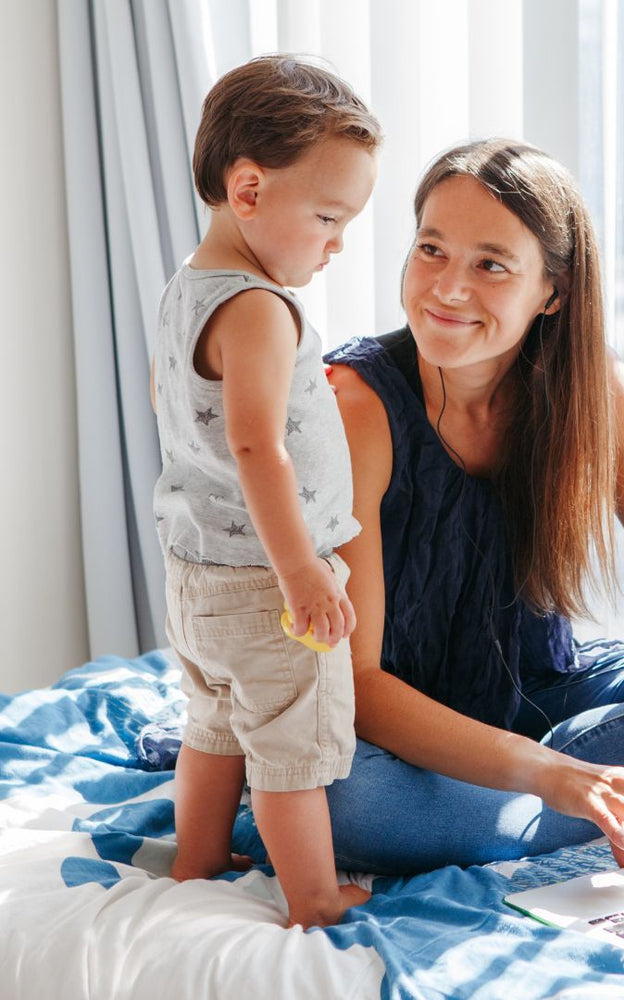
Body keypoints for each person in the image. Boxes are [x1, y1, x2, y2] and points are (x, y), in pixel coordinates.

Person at [319, 138, 624, 878]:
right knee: (350, 801)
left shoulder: (596, 392)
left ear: (552, 290)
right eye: (431, 249)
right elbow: (358, 687)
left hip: (537, 696)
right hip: (397, 738)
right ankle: (579, 803)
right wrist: (556, 775)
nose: (448, 288)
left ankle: (520, 813)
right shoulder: (356, 404)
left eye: (490, 264)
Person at [149, 55, 381, 928]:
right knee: (292, 743)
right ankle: (314, 899)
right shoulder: (257, 306)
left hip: (198, 573)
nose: (336, 242)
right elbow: (256, 445)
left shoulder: (189, 289)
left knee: (213, 723)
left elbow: (169, 400)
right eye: (327, 217)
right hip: (265, 577)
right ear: (248, 191)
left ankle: (201, 858)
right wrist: (303, 573)